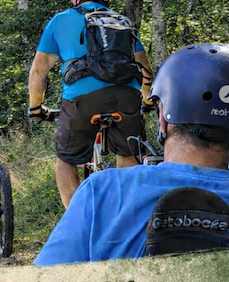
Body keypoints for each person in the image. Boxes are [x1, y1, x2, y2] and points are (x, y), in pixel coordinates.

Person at [34, 43, 229, 266]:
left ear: (163, 118)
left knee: (67, 156)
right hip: (123, 104)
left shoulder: (101, 191)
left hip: (84, 105)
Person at [28, 0, 153, 207]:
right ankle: (126, 214)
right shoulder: (122, 23)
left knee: (66, 159)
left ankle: (76, 219)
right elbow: (144, 68)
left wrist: (36, 107)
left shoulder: (61, 20)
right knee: (128, 152)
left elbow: (38, 71)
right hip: (127, 96)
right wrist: (146, 101)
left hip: (81, 101)